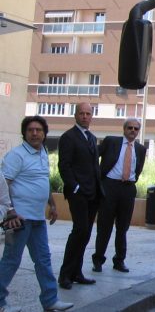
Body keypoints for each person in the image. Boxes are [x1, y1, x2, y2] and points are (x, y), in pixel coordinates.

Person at [0, 116, 74, 312]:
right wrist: (10, 211)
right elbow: (3, 185)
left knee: (43, 260)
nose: (34, 133)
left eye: (38, 130)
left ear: (44, 133)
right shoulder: (16, 155)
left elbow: (43, 180)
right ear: (24, 133)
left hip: (38, 219)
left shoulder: (43, 152)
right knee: (11, 261)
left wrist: (52, 205)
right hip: (19, 220)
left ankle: (50, 301)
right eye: (30, 130)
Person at [91, 118, 146, 273]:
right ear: (124, 129)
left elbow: (138, 169)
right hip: (109, 187)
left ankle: (119, 261)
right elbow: (94, 155)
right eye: (130, 127)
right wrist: (96, 177)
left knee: (123, 227)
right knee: (104, 226)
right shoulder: (111, 141)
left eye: (136, 128)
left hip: (128, 189)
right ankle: (98, 260)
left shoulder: (141, 149)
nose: (133, 131)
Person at [57, 103, 101, 289]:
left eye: (88, 113)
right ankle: (65, 275)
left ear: (91, 116)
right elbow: (64, 165)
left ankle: (77, 272)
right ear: (75, 115)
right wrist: (74, 187)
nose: (85, 116)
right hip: (78, 193)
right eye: (81, 113)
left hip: (93, 194)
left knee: (85, 234)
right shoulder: (68, 137)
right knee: (79, 231)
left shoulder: (92, 137)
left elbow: (94, 165)